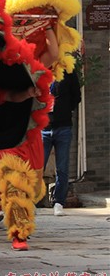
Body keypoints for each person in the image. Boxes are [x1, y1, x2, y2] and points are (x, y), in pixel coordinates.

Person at [43, 68, 82, 216]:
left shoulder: (69, 72)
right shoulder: (41, 69)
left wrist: (65, 110)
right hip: (44, 127)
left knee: (62, 168)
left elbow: (76, 96)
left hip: (63, 126)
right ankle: (32, 200)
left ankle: (59, 202)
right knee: (37, 166)